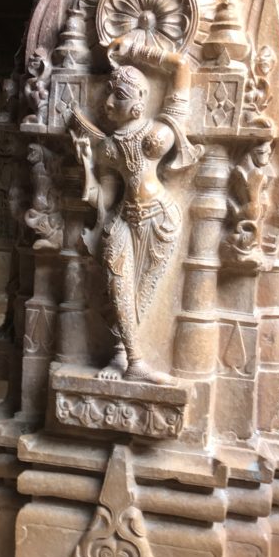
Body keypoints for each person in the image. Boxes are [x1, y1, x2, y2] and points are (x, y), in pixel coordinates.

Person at [68, 38, 200, 384]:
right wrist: (85, 164)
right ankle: (135, 360)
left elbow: (182, 67)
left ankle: (123, 355)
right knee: (117, 284)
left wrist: (133, 49)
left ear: (140, 101)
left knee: (142, 292)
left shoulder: (156, 135)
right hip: (123, 219)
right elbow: (103, 198)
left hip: (160, 218)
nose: (109, 103)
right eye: (108, 95)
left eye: (119, 96)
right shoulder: (109, 148)